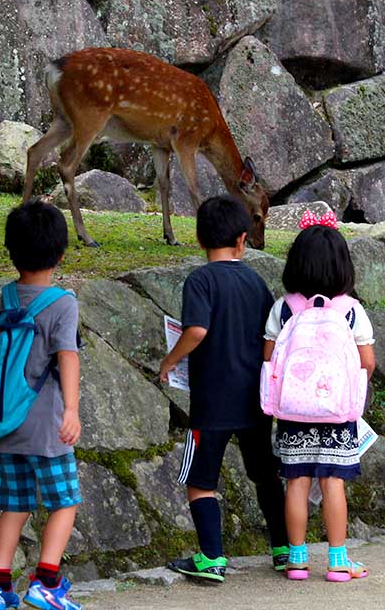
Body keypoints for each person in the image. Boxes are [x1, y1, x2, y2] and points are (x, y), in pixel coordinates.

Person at [159, 195, 288, 583]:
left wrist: (170, 361)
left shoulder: (200, 280)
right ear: (242, 240)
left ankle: (211, 558)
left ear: (199, 240)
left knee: (200, 480)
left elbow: (197, 330)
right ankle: (284, 549)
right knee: (264, 473)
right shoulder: (256, 281)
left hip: (212, 400)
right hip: (255, 400)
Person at [0, 199, 82, 610]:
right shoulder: (62, 303)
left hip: (5, 423)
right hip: (47, 428)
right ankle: (46, 581)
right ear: (60, 253)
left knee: (13, 506)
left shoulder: (3, 299)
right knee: (64, 501)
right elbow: (68, 357)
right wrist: (71, 410)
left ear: (11, 250)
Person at [263, 215, 376, 582]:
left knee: (295, 481)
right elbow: (367, 362)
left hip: (295, 412)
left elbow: (269, 358)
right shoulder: (351, 311)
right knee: (333, 483)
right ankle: (338, 561)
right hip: (336, 413)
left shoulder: (283, 308)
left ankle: (296, 560)